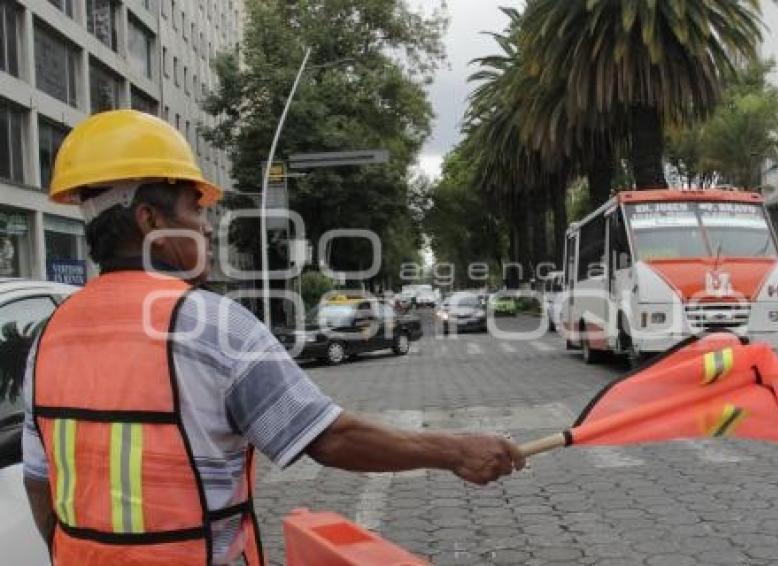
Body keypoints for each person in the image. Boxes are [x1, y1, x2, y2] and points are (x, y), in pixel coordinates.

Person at [22, 110, 525, 565]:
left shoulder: (50, 335)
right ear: (149, 220)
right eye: (195, 212)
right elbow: (328, 437)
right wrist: (456, 451)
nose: (206, 229)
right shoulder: (209, 323)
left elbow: (39, 479)